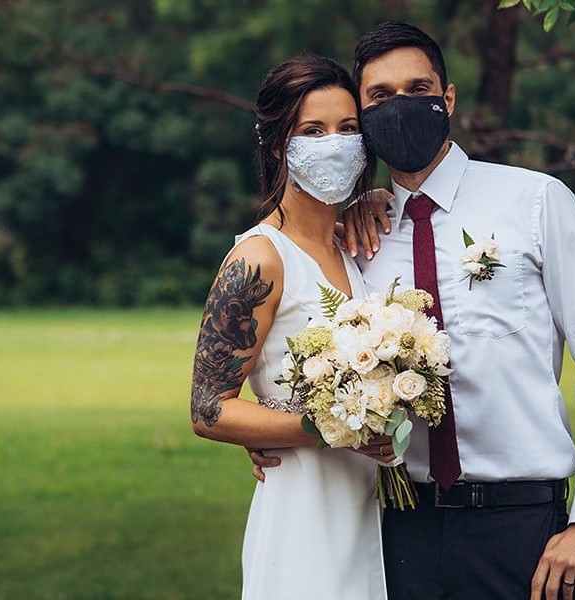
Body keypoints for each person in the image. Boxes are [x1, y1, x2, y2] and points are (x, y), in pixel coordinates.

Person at [342, 21, 575, 600]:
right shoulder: (360, 237)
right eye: (379, 96)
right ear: (362, 114)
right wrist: (278, 436)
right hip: (398, 525)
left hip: (523, 523)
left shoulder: (535, 201)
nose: (400, 106)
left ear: (447, 99)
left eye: (418, 88)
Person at [189, 54, 392, 600]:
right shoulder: (260, 259)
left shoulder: (358, 246)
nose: (335, 142)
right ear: (280, 144)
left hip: (380, 513)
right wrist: (332, 425)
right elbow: (208, 409)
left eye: (349, 129)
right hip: (306, 512)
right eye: (313, 130)